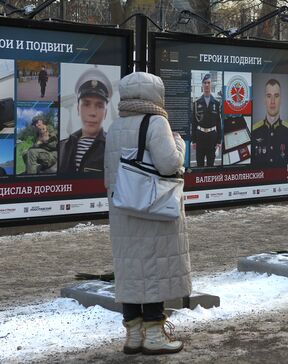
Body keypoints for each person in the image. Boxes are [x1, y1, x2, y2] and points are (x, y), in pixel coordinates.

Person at [104, 72, 189, 355]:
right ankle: (154, 336)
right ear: (156, 94)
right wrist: (180, 144)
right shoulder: (156, 122)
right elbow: (168, 164)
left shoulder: (116, 126)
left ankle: (133, 337)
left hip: (123, 210)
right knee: (154, 269)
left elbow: (109, 175)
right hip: (153, 208)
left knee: (130, 271)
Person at [58, 68, 111, 174]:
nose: (92, 113)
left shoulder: (112, 147)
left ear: (105, 112)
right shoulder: (62, 146)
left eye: (99, 106)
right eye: (86, 104)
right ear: (78, 109)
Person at [252, 78, 288, 165]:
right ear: (264, 100)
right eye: (269, 96)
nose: (272, 101)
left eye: (276, 96)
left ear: (281, 99)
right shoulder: (253, 132)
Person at [191, 73, 221, 167]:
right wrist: (194, 141)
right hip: (200, 137)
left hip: (212, 137)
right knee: (199, 164)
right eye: (205, 83)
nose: (207, 85)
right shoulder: (196, 103)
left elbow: (218, 123)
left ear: (211, 85)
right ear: (202, 85)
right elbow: (194, 122)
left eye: (208, 83)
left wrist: (219, 141)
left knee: (210, 164)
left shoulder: (216, 103)